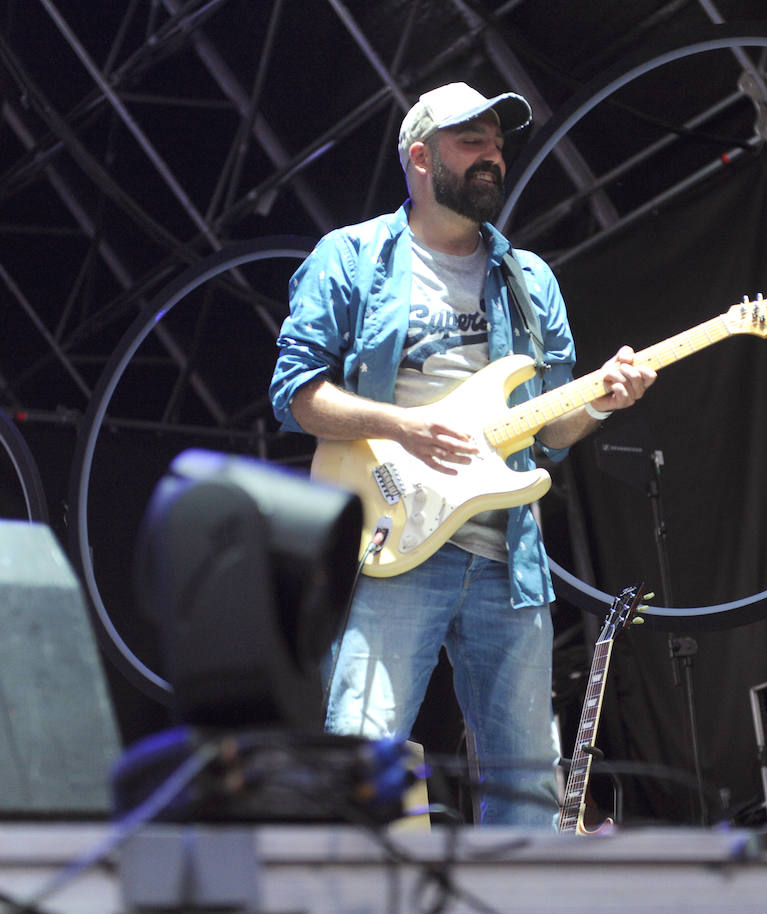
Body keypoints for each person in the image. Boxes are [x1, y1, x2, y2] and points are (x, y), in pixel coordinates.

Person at [269, 82, 655, 826]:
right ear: (420, 157)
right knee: (363, 760)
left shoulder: (528, 278)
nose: (493, 157)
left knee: (526, 796)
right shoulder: (351, 257)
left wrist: (602, 402)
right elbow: (297, 395)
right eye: (471, 142)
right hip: (390, 545)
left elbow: (551, 429)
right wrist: (404, 427)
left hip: (507, 559)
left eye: (498, 144)